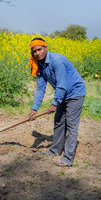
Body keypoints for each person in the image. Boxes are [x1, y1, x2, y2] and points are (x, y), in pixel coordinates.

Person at [29, 37, 86, 167]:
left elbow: (62, 84)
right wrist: (34, 109)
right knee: (59, 122)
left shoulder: (58, 60)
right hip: (63, 94)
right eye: (34, 52)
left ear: (46, 48)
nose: (37, 53)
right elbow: (40, 88)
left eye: (39, 49)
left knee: (71, 125)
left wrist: (55, 103)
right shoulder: (41, 66)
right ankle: (55, 150)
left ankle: (67, 159)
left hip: (75, 93)